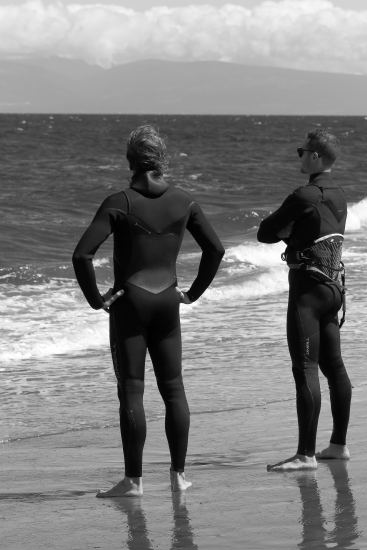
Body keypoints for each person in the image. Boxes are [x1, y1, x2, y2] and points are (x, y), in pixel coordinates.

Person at [72, 125, 225, 496]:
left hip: (131, 303)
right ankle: (179, 476)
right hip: (168, 302)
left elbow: (82, 255)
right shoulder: (184, 201)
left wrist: (97, 299)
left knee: (132, 390)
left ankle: (133, 481)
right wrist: (192, 294)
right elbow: (216, 250)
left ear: (130, 161)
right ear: (162, 160)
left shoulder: (119, 202)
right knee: (173, 389)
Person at [257, 128, 352, 471]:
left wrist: (288, 234)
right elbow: (319, 228)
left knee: (306, 368)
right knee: (335, 367)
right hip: (333, 289)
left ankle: (305, 455)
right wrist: (295, 232)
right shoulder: (339, 195)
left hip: (308, 290)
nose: (298, 156)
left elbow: (265, 233)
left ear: (315, 156)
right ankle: (338, 445)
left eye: (302, 151)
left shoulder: (304, 194)